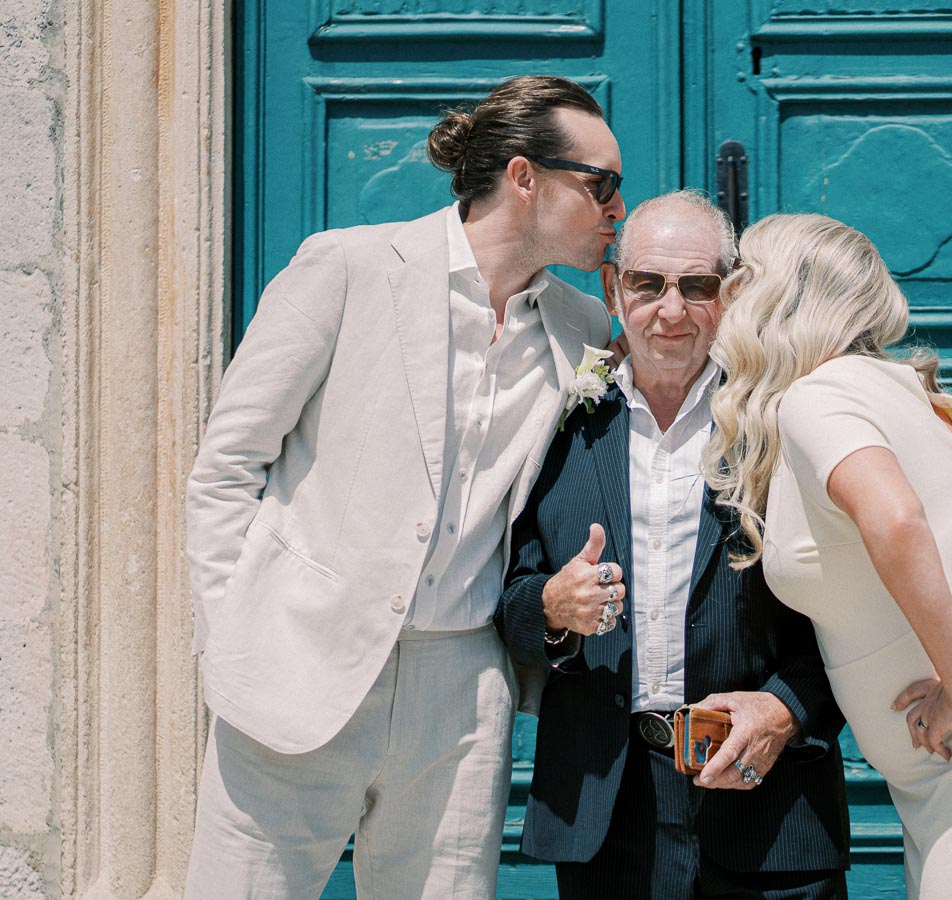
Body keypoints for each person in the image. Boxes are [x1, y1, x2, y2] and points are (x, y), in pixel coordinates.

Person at [184, 75, 625, 898]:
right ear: (525, 178)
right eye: (601, 184)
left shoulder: (585, 329)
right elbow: (225, 468)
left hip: (459, 692)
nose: (617, 209)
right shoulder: (347, 268)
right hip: (297, 664)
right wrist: (233, 639)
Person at [705, 213, 952, 899]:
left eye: (744, 275)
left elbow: (896, 520)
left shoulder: (817, 396)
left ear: (782, 296)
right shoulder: (884, 388)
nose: (727, 293)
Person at [495, 191, 850, 900]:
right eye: (647, 283)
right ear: (612, 287)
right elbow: (509, 601)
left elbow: (851, 602)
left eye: (697, 286)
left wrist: (786, 709)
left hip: (768, 800)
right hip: (604, 806)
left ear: (733, 294)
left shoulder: (783, 420)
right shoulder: (554, 419)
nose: (670, 310)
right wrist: (554, 609)